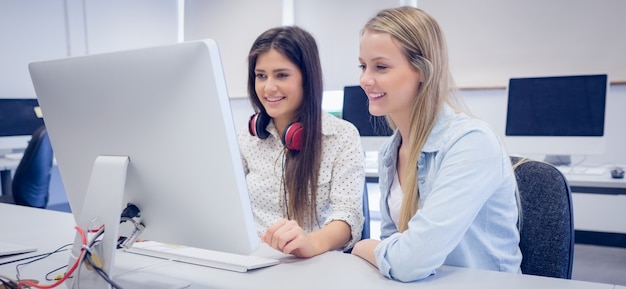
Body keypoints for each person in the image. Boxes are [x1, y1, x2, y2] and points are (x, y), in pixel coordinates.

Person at [351, 7, 522, 282]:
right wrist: (387, 254)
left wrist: (362, 246)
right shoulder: (390, 152)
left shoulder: (472, 143)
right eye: (363, 66)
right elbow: (392, 250)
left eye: (380, 67)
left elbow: (408, 261)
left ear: (422, 70)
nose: (364, 79)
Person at [237, 26, 365, 258]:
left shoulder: (341, 136)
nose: (269, 87)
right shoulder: (247, 138)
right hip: (253, 260)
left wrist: (309, 243)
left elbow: (349, 215)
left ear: (307, 78)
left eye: (282, 75)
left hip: (313, 264)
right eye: (261, 76)